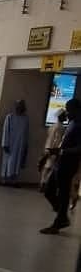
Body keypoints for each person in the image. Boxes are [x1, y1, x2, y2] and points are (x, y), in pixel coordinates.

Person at [41, 98, 81, 234]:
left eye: (69, 110)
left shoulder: (79, 125)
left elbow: (79, 148)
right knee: (49, 190)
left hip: (68, 164)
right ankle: (62, 215)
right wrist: (53, 153)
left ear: (76, 110)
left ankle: (60, 220)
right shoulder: (71, 123)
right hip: (60, 162)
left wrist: (62, 151)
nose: (67, 113)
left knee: (63, 193)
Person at [0, 99, 29, 185]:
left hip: (20, 145)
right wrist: (5, 144)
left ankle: (14, 181)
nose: (19, 107)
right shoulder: (10, 117)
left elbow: (26, 133)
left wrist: (25, 146)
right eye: (18, 105)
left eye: (21, 106)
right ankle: (4, 180)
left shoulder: (25, 119)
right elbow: (5, 130)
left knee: (17, 163)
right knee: (7, 162)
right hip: (10, 144)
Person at [39, 109, 67, 192]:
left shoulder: (52, 126)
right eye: (64, 116)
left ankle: (42, 183)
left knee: (46, 167)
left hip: (48, 149)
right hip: (53, 150)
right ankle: (45, 184)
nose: (66, 117)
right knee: (51, 168)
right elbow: (56, 140)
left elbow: (49, 139)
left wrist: (47, 150)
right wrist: (54, 151)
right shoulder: (61, 128)